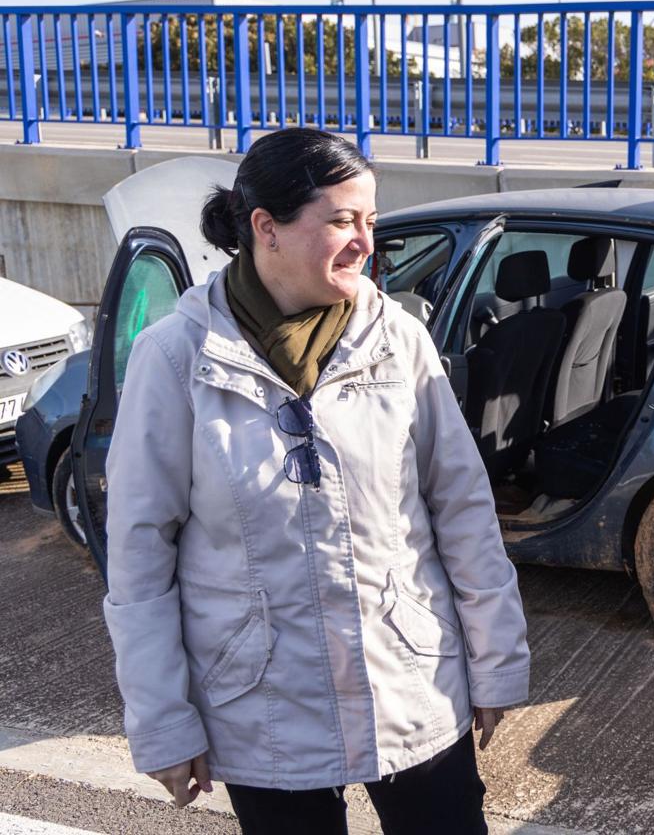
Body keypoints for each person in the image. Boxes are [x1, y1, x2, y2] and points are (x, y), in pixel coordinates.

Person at [102, 127, 529, 835]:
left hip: (409, 677)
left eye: (369, 219)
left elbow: (462, 510)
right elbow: (140, 555)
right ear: (265, 228)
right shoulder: (176, 357)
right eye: (341, 221)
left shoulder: (397, 339)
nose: (366, 241)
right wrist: (163, 720)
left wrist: (495, 664)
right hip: (261, 700)